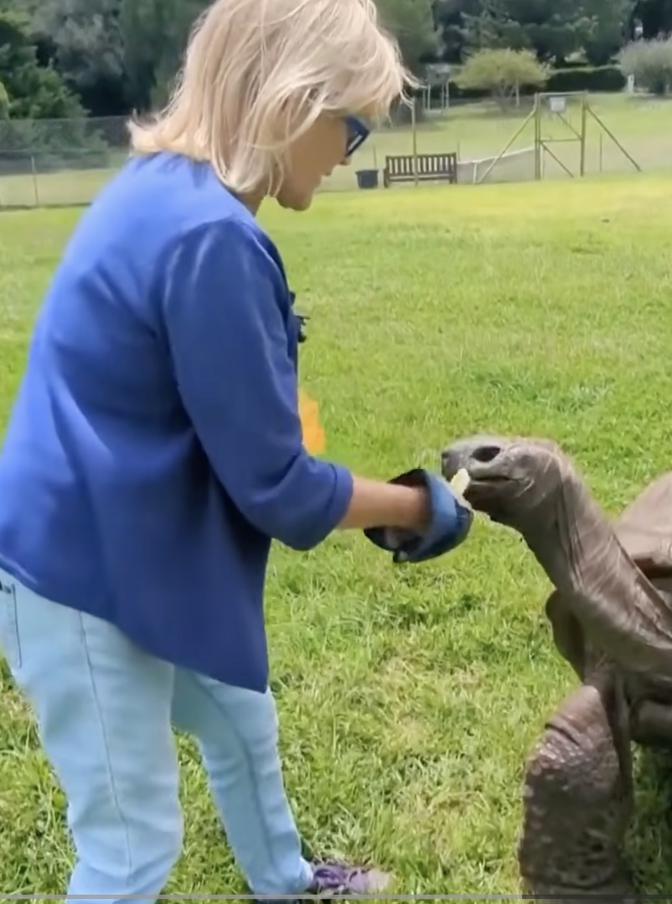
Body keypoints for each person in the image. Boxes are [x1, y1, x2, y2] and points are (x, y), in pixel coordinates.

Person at [0, 0, 473, 901]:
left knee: (239, 718)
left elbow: (217, 412)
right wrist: (421, 508)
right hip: (79, 582)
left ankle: (288, 881)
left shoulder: (159, 187)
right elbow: (281, 492)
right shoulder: (213, 236)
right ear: (292, 100)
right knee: (130, 849)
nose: (349, 155)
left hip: (129, 548)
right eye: (353, 127)